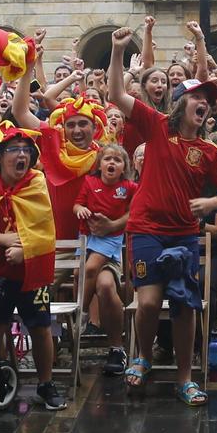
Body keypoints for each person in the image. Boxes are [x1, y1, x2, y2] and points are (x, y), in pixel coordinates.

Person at [107, 28, 217, 406]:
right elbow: (117, 95)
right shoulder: (155, 125)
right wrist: (118, 52)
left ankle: (185, 377)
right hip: (146, 230)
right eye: (198, 97)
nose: (205, 103)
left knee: (185, 305)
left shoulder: (210, 151)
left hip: (183, 235)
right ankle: (144, 357)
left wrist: (211, 205)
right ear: (180, 103)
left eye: (208, 101)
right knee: (148, 303)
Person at [0, 132, 65, 411]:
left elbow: (46, 231)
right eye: (14, 149)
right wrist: (4, 239)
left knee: (40, 326)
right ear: (0, 156)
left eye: (26, 150)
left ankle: (46, 384)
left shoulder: (37, 183)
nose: (21, 155)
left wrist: (26, 249)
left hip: (32, 272)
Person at [72, 143, 132, 374]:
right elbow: (77, 203)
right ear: (99, 164)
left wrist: (114, 225)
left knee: (94, 273)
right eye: (107, 159)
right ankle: (80, 320)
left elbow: (136, 210)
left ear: (124, 167)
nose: (111, 163)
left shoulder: (128, 187)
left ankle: (83, 314)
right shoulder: (90, 182)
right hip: (87, 238)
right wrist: (80, 210)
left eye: (117, 160)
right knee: (80, 273)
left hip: (110, 242)